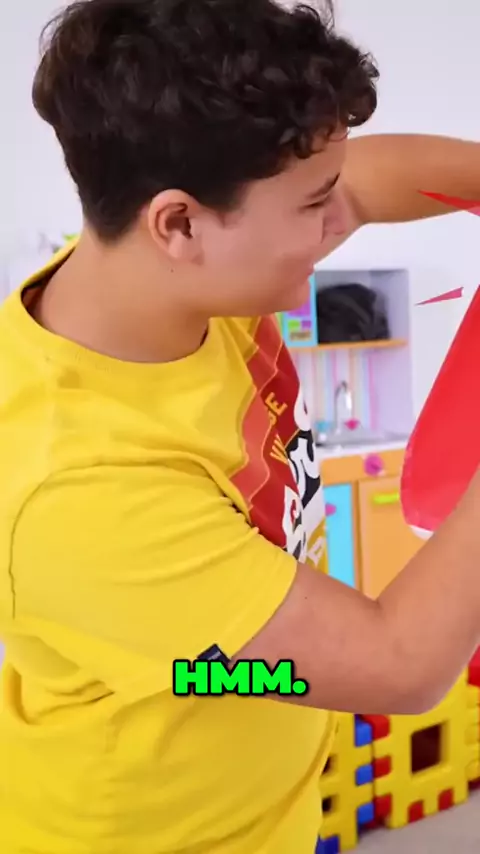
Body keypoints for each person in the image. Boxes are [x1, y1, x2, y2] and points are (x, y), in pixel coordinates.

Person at [0, 1, 479, 852]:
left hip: (271, 806)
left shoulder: (153, 278)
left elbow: (358, 182)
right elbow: (400, 665)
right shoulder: (82, 491)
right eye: (314, 204)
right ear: (179, 223)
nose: (337, 218)